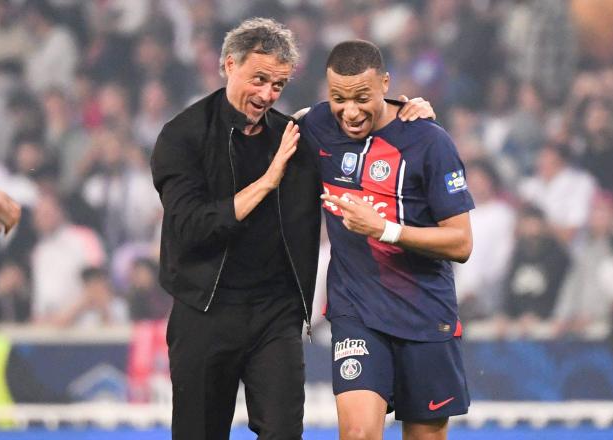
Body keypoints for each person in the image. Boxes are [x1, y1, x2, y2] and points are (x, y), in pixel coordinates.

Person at [151, 18, 433, 440]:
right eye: (259, 79)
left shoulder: (296, 136)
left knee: (284, 433)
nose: (267, 94)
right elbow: (191, 227)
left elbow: (358, 127)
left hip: (275, 315)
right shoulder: (183, 137)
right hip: (204, 312)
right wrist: (266, 181)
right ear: (229, 65)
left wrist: (411, 113)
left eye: (278, 84)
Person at [302, 40, 474, 440]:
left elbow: (461, 243)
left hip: (426, 313)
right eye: (338, 98)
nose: (350, 111)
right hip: (356, 310)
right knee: (359, 433)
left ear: (385, 84)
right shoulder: (317, 125)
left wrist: (385, 230)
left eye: (362, 97)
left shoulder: (430, 141)